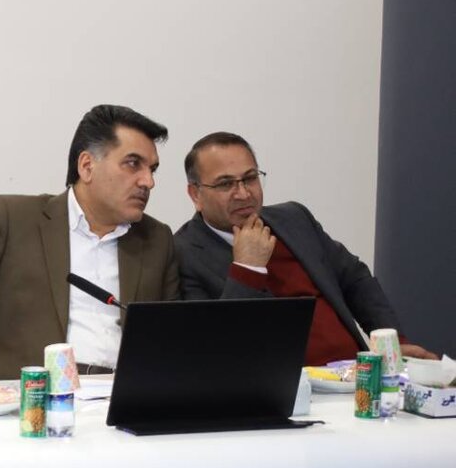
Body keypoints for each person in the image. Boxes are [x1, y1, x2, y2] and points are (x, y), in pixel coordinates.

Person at [0, 105, 180, 380]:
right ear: (87, 166)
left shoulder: (157, 239)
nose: (148, 181)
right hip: (27, 395)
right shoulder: (12, 219)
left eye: (152, 169)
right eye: (133, 164)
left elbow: (171, 335)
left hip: (122, 394)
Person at [175, 131, 437, 364]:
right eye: (225, 184)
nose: (243, 194)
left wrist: (394, 344)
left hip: (354, 377)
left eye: (250, 178)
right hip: (285, 391)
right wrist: (247, 269)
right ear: (195, 194)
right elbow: (216, 348)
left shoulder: (294, 218)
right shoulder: (183, 254)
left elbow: (355, 278)